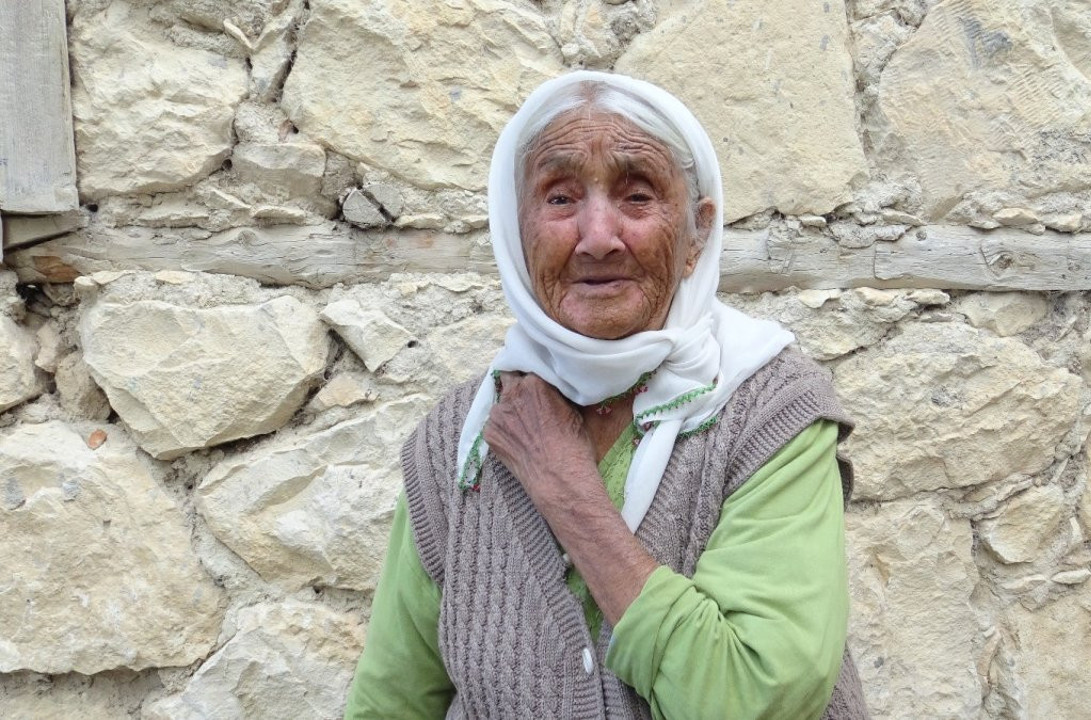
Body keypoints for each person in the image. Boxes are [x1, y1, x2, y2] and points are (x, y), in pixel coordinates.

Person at [344, 70, 869, 720]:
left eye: (637, 196)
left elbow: (754, 696)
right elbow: (390, 703)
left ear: (697, 234)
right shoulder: (458, 440)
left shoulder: (769, 412)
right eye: (561, 198)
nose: (597, 237)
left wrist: (568, 492)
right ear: (516, 229)